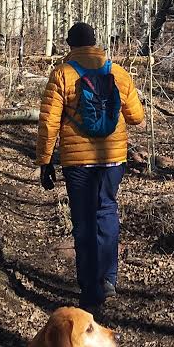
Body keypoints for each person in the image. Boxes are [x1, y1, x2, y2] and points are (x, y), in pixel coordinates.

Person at [36, 22, 145, 314]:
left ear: (70, 44)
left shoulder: (62, 74)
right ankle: (109, 278)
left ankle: (90, 289)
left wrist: (45, 161)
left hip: (78, 162)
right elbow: (136, 117)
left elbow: (48, 124)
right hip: (112, 159)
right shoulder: (117, 72)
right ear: (95, 42)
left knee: (83, 222)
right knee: (107, 210)